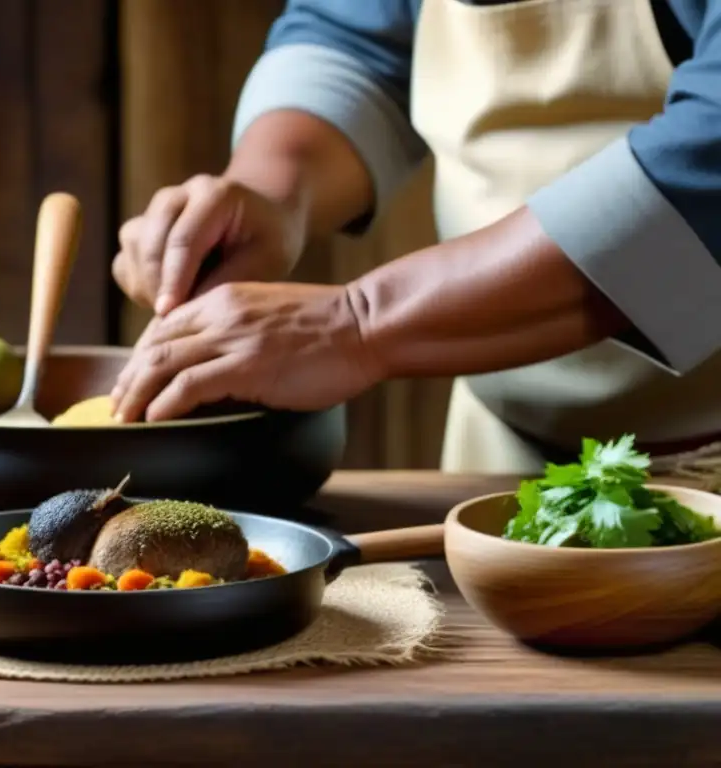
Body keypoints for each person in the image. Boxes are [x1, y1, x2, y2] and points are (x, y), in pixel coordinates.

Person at [108, 0, 721, 474]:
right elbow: (355, 36)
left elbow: (707, 165)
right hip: (500, 465)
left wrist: (358, 322)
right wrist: (271, 194)